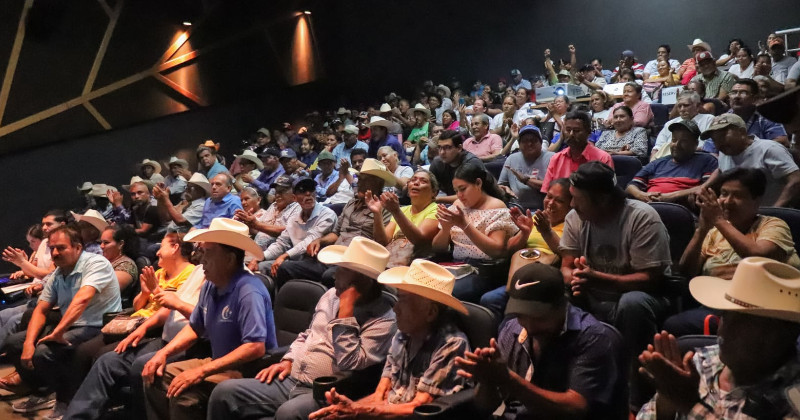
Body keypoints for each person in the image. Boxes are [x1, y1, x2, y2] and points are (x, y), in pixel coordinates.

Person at [206, 237, 397, 420]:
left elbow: (349, 362)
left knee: (289, 413)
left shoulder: (384, 319)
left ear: (362, 280)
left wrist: (345, 313)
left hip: (329, 391)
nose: (335, 275)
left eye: (343, 270)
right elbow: (308, 334)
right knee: (224, 393)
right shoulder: (331, 295)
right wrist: (288, 360)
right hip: (292, 378)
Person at [142, 218, 277, 420]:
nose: (201, 259)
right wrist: (163, 353)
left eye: (208, 253)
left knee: (185, 395)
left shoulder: (249, 291)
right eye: (202, 251)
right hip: (218, 361)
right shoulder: (210, 284)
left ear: (229, 259)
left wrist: (201, 372)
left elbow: (255, 347)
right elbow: (195, 327)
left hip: (248, 371)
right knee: (155, 376)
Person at [560, 162, 671, 406]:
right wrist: (575, 278)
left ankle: (636, 394)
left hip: (642, 295)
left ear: (602, 199)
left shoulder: (642, 218)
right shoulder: (575, 217)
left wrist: (598, 279)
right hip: (591, 292)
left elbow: (651, 279)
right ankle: (569, 386)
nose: (572, 204)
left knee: (632, 304)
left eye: (578, 199)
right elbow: (566, 266)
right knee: (558, 295)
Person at [456, 263, 628, 420]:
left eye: (539, 317)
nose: (529, 327)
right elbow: (486, 406)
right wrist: (487, 381)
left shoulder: (592, 337)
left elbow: (575, 409)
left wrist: (509, 380)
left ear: (562, 306)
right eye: (521, 315)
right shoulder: (512, 328)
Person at [637, 258, 800, 419]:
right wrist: (667, 402)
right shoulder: (701, 361)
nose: (723, 330)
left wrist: (690, 405)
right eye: (725, 315)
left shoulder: (793, 396)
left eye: (742, 322)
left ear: (782, 335)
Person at [308, 259, 470, 419]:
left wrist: (356, 411)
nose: (395, 308)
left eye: (403, 300)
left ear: (430, 312)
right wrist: (346, 410)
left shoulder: (451, 344)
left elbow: (418, 407)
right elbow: (382, 395)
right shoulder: (403, 335)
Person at [665, 168, 800, 336]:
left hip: (765, 306)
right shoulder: (714, 232)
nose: (727, 201)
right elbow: (687, 271)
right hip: (718, 304)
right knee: (674, 325)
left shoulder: (773, 225)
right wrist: (702, 230)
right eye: (723, 194)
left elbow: (758, 256)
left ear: (756, 200)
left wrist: (718, 220)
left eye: (737, 195)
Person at [4, 226, 121, 418]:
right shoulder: (59, 273)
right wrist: (28, 343)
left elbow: (82, 299)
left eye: (61, 248)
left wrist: (58, 331)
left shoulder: (96, 263)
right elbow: (41, 308)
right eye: (52, 248)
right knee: (14, 343)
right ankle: (43, 392)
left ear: (77, 247)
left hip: (98, 325)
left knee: (44, 351)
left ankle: (64, 400)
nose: (55, 253)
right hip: (72, 325)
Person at [275, 160, 393, 287]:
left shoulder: (385, 208)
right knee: (284, 268)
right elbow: (336, 233)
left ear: (377, 183)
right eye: (359, 178)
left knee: (329, 276)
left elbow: (381, 243)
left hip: (356, 262)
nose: (359, 183)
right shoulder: (351, 203)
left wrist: (376, 213)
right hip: (334, 255)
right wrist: (319, 241)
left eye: (364, 180)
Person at [479, 178, 573, 317]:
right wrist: (524, 232)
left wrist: (546, 232)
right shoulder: (534, 219)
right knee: (489, 299)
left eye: (559, 201)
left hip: (546, 281)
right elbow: (510, 250)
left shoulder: (571, 225)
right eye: (549, 196)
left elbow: (567, 255)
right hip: (518, 275)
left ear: (571, 205)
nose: (551, 203)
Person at [432, 164, 517, 303]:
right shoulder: (457, 205)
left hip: (482, 271)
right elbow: (438, 248)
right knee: (419, 283)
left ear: (478, 183)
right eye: (456, 191)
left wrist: (465, 225)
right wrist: (446, 229)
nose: (459, 195)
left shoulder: (496, 207)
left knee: (441, 291)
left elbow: (496, 250)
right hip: (455, 266)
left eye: (463, 189)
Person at [700, 113, 800, 207]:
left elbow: (796, 180)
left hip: (769, 214)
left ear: (742, 132)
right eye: (714, 139)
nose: (719, 143)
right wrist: (703, 187)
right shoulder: (724, 152)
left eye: (723, 135)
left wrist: (775, 210)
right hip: (740, 213)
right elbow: (721, 170)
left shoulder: (769, 149)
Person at [628, 120, 718, 206]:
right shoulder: (657, 163)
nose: (676, 145)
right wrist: (642, 195)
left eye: (684, 141)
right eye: (674, 140)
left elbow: (706, 188)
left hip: (682, 209)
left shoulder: (707, 161)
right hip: (649, 206)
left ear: (695, 144)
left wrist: (670, 197)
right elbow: (630, 186)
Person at [367, 170, 440, 268]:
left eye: (423, 181)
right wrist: (377, 213)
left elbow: (419, 241)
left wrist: (396, 211)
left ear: (434, 192)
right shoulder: (403, 210)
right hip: (390, 260)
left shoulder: (437, 210)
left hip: (414, 266)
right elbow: (382, 242)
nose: (416, 183)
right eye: (413, 180)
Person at [540, 111, 613, 193]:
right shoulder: (556, 158)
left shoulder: (603, 158)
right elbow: (546, 191)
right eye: (568, 130)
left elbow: (606, 194)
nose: (571, 134)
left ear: (588, 132)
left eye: (576, 130)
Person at [711, 78, 789, 149]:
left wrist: (747, 149)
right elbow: (710, 149)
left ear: (755, 98)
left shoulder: (766, 116)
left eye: (743, 93)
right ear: (729, 98)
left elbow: (782, 141)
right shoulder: (721, 119)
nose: (737, 96)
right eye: (734, 92)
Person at [236, 177, 300, 252]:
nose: (277, 195)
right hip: (257, 249)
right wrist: (248, 224)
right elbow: (260, 230)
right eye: (276, 192)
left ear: (293, 193)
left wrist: (256, 224)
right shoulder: (274, 205)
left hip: (279, 253)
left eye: (282, 191)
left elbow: (286, 231)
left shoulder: (297, 207)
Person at [499, 125, 554, 210]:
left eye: (533, 140)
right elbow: (500, 185)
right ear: (519, 144)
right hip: (515, 208)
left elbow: (554, 187)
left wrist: (526, 180)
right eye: (525, 141)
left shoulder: (552, 158)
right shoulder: (512, 158)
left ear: (541, 143)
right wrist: (505, 190)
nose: (529, 144)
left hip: (543, 209)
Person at [651, 91, 715, 160]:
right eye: (679, 106)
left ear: (697, 106)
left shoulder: (709, 120)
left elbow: (709, 147)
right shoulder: (669, 124)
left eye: (686, 105)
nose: (682, 109)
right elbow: (656, 149)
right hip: (667, 161)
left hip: (696, 159)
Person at [429, 130, 487, 204]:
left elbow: (471, 195)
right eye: (439, 147)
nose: (442, 152)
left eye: (447, 147)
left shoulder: (472, 163)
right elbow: (430, 189)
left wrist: (436, 199)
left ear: (459, 148)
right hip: (452, 204)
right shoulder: (437, 163)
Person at [99, 224, 140, 300]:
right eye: (101, 242)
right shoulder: (102, 260)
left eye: (106, 242)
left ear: (120, 244)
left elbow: (106, 291)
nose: (101, 246)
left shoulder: (127, 265)